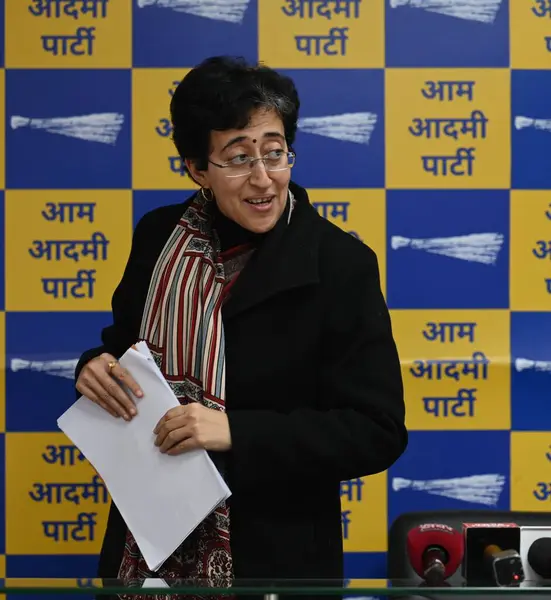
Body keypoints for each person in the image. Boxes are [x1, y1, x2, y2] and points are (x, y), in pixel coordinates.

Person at [75, 56, 407, 598]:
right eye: (237, 158)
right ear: (196, 168)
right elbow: (123, 351)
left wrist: (235, 432)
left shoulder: (340, 263)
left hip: (276, 560)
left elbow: (377, 431)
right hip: (146, 548)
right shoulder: (159, 238)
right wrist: (92, 367)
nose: (263, 178)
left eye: (275, 153)